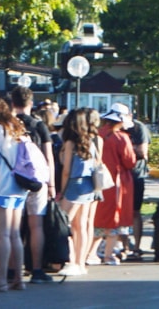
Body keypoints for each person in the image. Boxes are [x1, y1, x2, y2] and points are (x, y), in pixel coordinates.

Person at [9, 85, 56, 283]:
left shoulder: (10, 125)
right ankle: (36, 268)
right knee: (36, 226)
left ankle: (12, 268)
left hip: (15, 179)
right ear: (30, 103)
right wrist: (51, 184)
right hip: (36, 180)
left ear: (12, 103)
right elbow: (48, 157)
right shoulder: (39, 126)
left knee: (13, 226)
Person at [0, 98, 28, 291]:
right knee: (15, 234)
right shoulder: (17, 128)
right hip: (19, 185)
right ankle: (19, 277)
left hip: (2, 184)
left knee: (3, 235)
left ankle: (1, 279)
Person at [56, 108, 98, 277]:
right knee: (81, 225)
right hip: (88, 184)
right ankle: (80, 262)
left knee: (64, 223)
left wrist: (62, 190)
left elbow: (66, 170)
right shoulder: (91, 142)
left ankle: (70, 259)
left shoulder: (70, 144)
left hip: (74, 184)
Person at [94, 104, 136, 266]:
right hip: (118, 181)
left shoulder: (97, 134)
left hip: (97, 181)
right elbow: (129, 161)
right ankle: (108, 254)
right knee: (115, 219)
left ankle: (91, 253)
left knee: (98, 218)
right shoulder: (121, 138)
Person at [126, 108, 152, 260]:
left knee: (135, 211)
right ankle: (123, 246)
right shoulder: (114, 129)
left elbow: (142, 151)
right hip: (120, 174)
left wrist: (125, 148)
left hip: (136, 173)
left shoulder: (138, 128)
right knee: (121, 211)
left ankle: (136, 246)